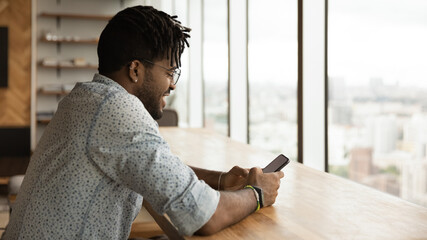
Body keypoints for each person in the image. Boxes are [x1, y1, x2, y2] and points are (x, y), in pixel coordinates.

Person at [3, 5, 284, 239]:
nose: (172, 85)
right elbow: (202, 216)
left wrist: (218, 179)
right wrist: (257, 193)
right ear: (135, 69)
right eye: (169, 71)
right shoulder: (118, 109)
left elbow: (149, 164)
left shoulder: (84, 98)